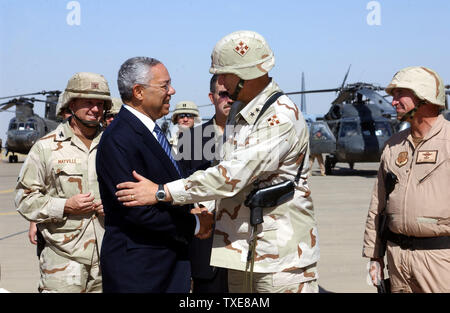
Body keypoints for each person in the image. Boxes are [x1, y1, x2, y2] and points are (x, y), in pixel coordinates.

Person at [116, 31, 320, 293]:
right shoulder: (240, 111)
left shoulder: (278, 117)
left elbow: (230, 175)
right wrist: (204, 212)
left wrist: (162, 192)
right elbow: (222, 167)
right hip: (242, 251)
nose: (220, 82)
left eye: (225, 74)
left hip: (279, 260)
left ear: (248, 72)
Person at [96, 56, 213, 293]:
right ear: (139, 91)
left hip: (165, 267)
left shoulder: (149, 131)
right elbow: (137, 210)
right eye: (164, 85)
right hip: (141, 273)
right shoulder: (120, 138)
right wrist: (195, 224)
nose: (172, 90)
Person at [16, 72, 111, 292]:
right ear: (72, 103)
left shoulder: (113, 144)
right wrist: (66, 206)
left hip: (107, 260)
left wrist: (114, 206)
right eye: (88, 102)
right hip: (63, 262)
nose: (95, 109)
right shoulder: (46, 147)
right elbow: (24, 199)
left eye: (100, 104)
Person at [363, 66, 450, 293]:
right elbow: (378, 204)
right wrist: (374, 256)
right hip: (397, 259)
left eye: (401, 93)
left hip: (440, 260)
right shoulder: (393, 145)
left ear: (424, 97)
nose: (393, 102)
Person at [178, 74, 232, 293]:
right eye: (223, 94)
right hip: (205, 246)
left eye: (234, 94)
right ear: (212, 97)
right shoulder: (192, 139)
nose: (230, 100)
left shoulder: (253, 138)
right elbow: (182, 188)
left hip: (244, 245)